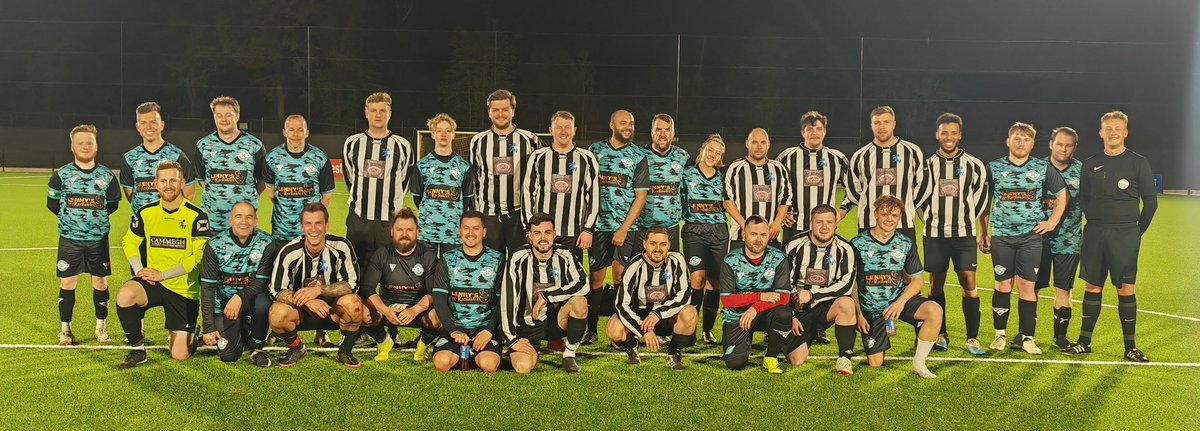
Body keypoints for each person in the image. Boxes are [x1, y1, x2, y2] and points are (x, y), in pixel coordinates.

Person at [1063, 111, 1156, 363]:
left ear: (1125, 132)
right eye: (1108, 128)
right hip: (1095, 232)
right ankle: (1084, 342)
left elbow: (1150, 203)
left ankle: (1130, 348)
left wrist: (1136, 231)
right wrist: (1096, 220)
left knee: (1125, 287)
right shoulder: (1091, 164)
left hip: (1125, 233)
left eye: (1117, 128)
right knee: (1092, 285)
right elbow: (1084, 197)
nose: (1112, 132)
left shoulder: (1138, 162)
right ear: (1100, 132)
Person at [114, 161, 211, 368]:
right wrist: (139, 269)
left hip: (182, 289)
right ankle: (137, 351)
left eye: (173, 180)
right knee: (125, 295)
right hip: (153, 283)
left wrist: (163, 275)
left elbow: (196, 258)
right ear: (156, 184)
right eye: (163, 180)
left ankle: (191, 332)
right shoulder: (146, 212)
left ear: (182, 183)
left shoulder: (197, 216)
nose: (168, 185)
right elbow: (129, 241)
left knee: (179, 355)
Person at [983, 122, 1067, 355]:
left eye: (1027, 139)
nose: (1021, 143)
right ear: (1008, 141)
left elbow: (1062, 194)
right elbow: (983, 203)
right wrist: (983, 231)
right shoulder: (994, 168)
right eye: (1017, 139)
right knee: (1002, 284)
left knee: (1027, 286)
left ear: (1032, 143)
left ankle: (1027, 337)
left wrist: (1051, 222)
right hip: (1001, 236)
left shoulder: (1042, 168)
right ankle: (1000, 334)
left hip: (1031, 237)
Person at [914, 113, 990, 355]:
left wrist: (979, 229)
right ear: (937, 135)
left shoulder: (974, 165)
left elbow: (982, 200)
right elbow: (918, 200)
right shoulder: (926, 166)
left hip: (964, 235)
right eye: (944, 132)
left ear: (960, 135)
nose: (949, 137)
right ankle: (941, 334)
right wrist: (930, 220)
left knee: (969, 282)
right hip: (935, 234)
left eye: (953, 132)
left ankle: (972, 339)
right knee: (935, 285)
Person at [850, 195, 941, 378]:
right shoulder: (857, 244)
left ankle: (919, 363)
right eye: (884, 214)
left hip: (897, 304)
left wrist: (900, 303)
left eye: (894, 215)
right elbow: (851, 284)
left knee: (934, 310)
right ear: (875, 214)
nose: (889, 219)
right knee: (876, 363)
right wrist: (859, 315)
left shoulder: (905, 243)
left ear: (899, 218)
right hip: (872, 309)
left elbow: (917, 280)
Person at [266, 203, 365, 368]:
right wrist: (306, 301)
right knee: (276, 314)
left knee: (354, 304)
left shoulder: (341, 246)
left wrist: (318, 290)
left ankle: (345, 351)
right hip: (301, 312)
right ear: (302, 227)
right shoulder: (288, 252)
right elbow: (276, 290)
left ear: (326, 225)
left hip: (333, 310)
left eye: (318, 223)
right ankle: (296, 348)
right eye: (308, 224)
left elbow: (352, 285)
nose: (314, 229)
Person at [48, 124, 121, 345]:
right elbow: (52, 204)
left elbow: (112, 205)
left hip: (98, 241)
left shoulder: (107, 175)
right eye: (80, 143)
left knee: (100, 282)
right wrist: (75, 224)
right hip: (70, 240)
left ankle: (101, 327)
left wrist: (92, 224)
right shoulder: (61, 175)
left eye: (89, 142)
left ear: (96, 145)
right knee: (68, 283)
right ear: (72, 146)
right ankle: (66, 330)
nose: (85, 146)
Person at [586, 109, 648, 346]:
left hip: (625, 228)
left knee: (621, 274)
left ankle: (620, 328)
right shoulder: (595, 151)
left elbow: (640, 197)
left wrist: (624, 229)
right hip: (598, 226)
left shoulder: (638, 155)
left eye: (631, 123)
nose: (628, 127)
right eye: (623, 123)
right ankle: (591, 331)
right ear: (611, 124)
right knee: (596, 278)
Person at [499, 213, 589, 374]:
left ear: (554, 234)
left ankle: (569, 355)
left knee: (579, 302)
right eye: (537, 233)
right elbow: (508, 300)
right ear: (529, 237)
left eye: (547, 232)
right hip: (528, 325)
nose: (543, 238)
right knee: (523, 368)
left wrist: (547, 295)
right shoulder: (517, 258)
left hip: (556, 321)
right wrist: (512, 340)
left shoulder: (566, 255)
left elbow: (583, 284)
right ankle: (523, 351)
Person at [358, 209, 443, 363]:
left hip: (417, 310)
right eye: (400, 229)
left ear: (417, 231)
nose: (404, 234)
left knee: (439, 315)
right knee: (361, 311)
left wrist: (414, 310)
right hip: (388, 309)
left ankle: (422, 346)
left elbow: (434, 292)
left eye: (409, 229)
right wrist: (385, 310)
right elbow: (367, 288)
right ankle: (383, 341)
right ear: (392, 231)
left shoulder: (429, 257)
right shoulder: (381, 254)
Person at [783, 205, 859, 375]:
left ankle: (845, 358)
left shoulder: (845, 249)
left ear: (835, 224)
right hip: (799, 310)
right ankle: (809, 333)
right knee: (796, 360)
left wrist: (812, 294)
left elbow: (846, 285)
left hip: (826, 308)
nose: (824, 227)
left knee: (846, 303)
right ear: (811, 223)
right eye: (819, 222)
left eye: (829, 222)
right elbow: (782, 283)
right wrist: (791, 315)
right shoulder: (794, 246)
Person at [342, 92, 416, 265]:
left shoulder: (402, 145)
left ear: (389, 114)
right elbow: (349, 177)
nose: (378, 115)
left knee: (390, 271)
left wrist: (393, 202)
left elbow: (404, 179)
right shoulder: (352, 143)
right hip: (359, 219)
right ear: (366, 113)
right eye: (373, 110)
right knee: (355, 270)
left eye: (383, 110)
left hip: (389, 219)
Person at [198, 202, 274, 367]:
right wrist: (209, 327)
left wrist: (239, 297)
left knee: (263, 302)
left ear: (256, 221)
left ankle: (257, 347)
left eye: (249, 217)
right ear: (230, 220)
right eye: (238, 217)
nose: (244, 222)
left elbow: (261, 282)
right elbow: (208, 288)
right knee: (229, 355)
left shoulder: (267, 243)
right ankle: (243, 328)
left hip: (251, 300)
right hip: (225, 306)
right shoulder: (214, 245)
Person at [609, 227, 695, 371]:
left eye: (663, 244)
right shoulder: (634, 267)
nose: (658, 249)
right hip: (640, 315)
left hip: (665, 316)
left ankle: (674, 351)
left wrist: (658, 313)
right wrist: (643, 330)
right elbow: (621, 305)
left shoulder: (677, 260)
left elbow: (684, 295)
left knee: (690, 313)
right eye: (653, 243)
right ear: (644, 244)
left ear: (669, 245)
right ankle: (632, 345)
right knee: (614, 330)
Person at [718, 216, 796, 374]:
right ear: (743, 235)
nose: (758, 239)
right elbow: (727, 300)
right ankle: (744, 341)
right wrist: (760, 297)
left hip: (765, 313)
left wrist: (755, 307)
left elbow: (784, 297)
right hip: (738, 317)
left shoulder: (778, 258)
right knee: (735, 363)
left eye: (763, 235)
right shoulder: (730, 260)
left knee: (784, 313)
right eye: (753, 234)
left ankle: (771, 357)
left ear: (769, 236)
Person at [469, 89, 542, 256]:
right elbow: (473, 179)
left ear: (513, 111)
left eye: (505, 109)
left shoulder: (530, 139)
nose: (500, 114)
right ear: (489, 112)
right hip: (489, 216)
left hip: (519, 215)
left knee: (522, 264)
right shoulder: (478, 141)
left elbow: (539, 178)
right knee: (492, 268)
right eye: (495, 110)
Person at [430, 211, 505, 373]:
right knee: (441, 363)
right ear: (459, 231)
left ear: (484, 232)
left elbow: (503, 301)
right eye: (466, 228)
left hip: (483, 329)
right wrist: (453, 330)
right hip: (456, 328)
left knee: (489, 364)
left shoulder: (497, 260)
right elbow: (439, 299)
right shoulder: (448, 259)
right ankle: (464, 353)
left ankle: (471, 354)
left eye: (476, 228)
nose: (470, 233)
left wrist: (489, 330)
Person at [522, 110, 600, 262]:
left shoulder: (587, 158)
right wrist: (529, 228)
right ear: (550, 130)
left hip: (573, 233)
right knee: (541, 276)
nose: (563, 132)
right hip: (542, 232)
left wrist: (588, 229)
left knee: (572, 277)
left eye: (567, 127)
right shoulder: (538, 157)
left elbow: (594, 196)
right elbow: (527, 193)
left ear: (574, 130)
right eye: (558, 127)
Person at [841, 106, 925, 242]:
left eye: (886, 122)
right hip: (869, 224)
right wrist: (869, 205)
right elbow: (854, 190)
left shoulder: (912, 152)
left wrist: (905, 206)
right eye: (877, 123)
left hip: (903, 225)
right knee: (868, 264)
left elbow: (923, 185)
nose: (882, 126)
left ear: (894, 124)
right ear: (871, 126)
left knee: (905, 264)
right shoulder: (860, 156)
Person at [1036, 127, 1083, 349]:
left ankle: (1060, 337)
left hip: (1069, 242)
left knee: (1064, 290)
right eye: (1059, 144)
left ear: (1074, 147)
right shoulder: (1036, 169)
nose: (1063, 149)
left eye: (1069, 145)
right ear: (1051, 144)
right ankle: (1027, 334)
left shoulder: (1082, 171)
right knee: (1030, 288)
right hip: (1036, 242)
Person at [193, 96, 266, 234]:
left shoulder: (254, 145)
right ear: (214, 117)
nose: (223, 119)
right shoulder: (203, 145)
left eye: (228, 115)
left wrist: (248, 196)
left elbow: (262, 180)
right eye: (218, 115)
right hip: (212, 222)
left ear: (237, 116)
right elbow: (202, 180)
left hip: (243, 224)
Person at [681, 135, 728, 344]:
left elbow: (730, 202)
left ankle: (707, 330)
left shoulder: (723, 177)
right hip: (694, 232)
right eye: (710, 150)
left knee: (715, 283)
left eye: (718, 153)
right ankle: (689, 328)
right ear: (703, 148)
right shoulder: (686, 173)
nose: (713, 156)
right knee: (697, 279)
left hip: (718, 233)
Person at [777, 111, 849, 244]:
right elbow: (772, 187)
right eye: (809, 129)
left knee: (823, 265)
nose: (814, 133)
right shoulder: (787, 157)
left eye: (819, 129)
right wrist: (779, 212)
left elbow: (854, 189)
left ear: (825, 132)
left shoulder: (837, 158)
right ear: (802, 132)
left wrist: (841, 212)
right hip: (794, 227)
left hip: (825, 229)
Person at [262, 114, 334, 243]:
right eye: (291, 129)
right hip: (281, 233)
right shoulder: (272, 158)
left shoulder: (320, 158)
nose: (296, 134)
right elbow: (271, 194)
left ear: (307, 133)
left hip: (310, 234)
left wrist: (311, 220)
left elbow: (327, 197)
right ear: (284, 132)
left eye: (300, 130)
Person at [413, 113, 475, 255]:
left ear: (453, 134)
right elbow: (418, 197)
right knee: (427, 274)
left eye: (448, 130)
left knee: (450, 275)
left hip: (453, 233)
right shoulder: (422, 165)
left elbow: (466, 199)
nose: (444, 134)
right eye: (439, 131)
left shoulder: (464, 166)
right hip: (427, 231)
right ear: (433, 134)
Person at [723, 128, 792, 250]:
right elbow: (727, 199)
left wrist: (776, 223)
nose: (759, 147)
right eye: (754, 142)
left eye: (763, 142)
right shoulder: (735, 168)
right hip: (740, 236)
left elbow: (785, 198)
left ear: (768, 144)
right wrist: (745, 226)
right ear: (747, 144)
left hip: (771, 236)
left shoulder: (778, 168)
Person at [121, 102, 196, 211]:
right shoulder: (129, 158)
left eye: (153, 122)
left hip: (170, 224)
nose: (148, 127)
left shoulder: (177, 156)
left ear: (162, 125)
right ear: (138, 127)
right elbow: (131, 196)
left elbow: (189, 194)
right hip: (142, 225)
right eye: (143, 123)